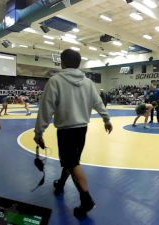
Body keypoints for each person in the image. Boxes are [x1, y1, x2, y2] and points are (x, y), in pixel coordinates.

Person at [34, 49, 113, 218]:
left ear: (62, 63)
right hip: (82, 129)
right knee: (71, 161)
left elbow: (46, 109)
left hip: (66, 131)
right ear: (79, 64)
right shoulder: (88, 83)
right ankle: (61, 184)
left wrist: (39, 132)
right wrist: (106, 119)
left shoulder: (55, 81)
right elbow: (98, 103)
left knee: (72, 163)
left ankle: (86, 200)